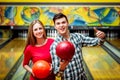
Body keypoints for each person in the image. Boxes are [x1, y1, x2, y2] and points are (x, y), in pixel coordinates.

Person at [50, 13, 106, 80]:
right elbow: (57, 74)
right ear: (55, 26)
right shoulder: (55, 46)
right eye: (58, 23)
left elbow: (97, 42)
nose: (61, 25)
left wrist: (102, 37)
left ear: (68, 23)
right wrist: (62, 68)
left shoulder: (78, 37)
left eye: (63, 22)